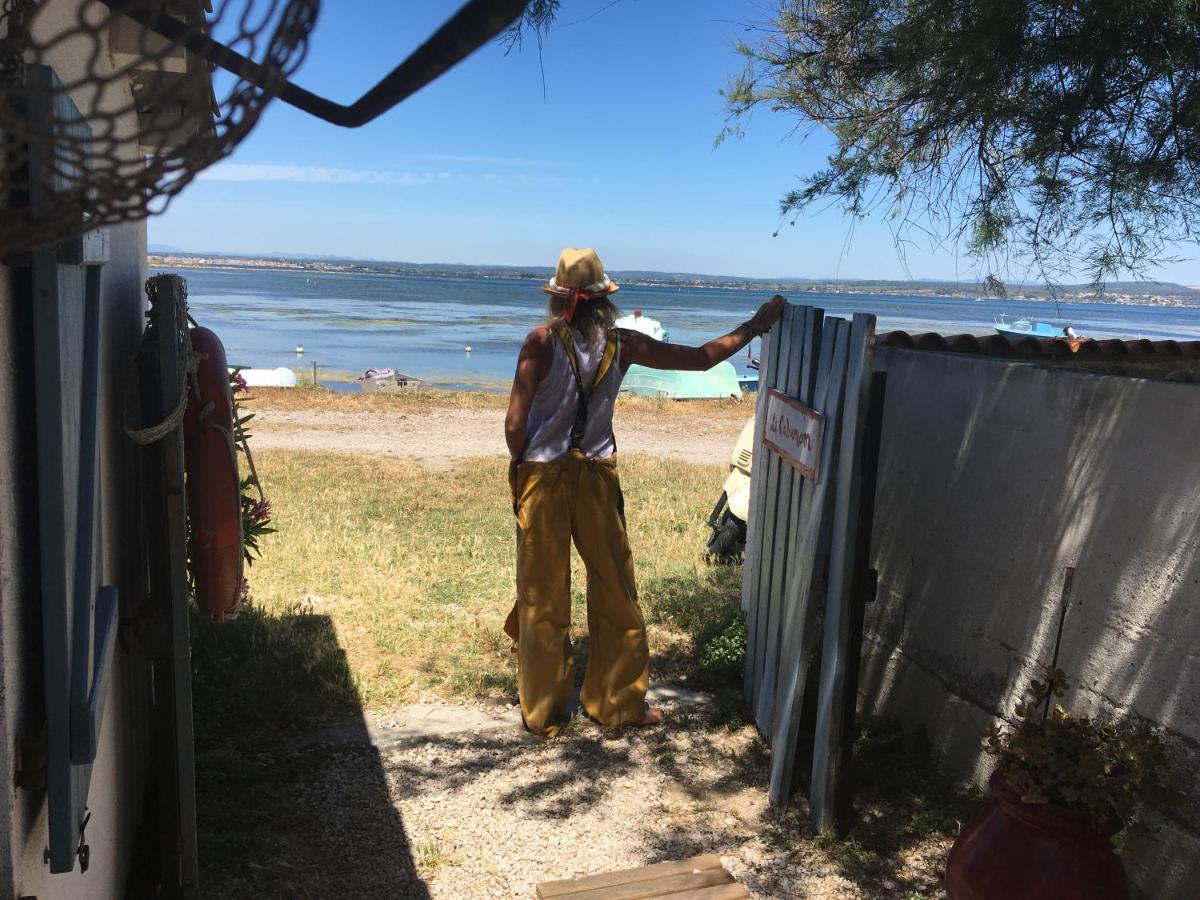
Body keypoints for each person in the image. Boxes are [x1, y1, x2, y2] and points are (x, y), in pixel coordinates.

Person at [503, 247, 785, 737]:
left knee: (542, 596)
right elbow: (700, 360)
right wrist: (755, 326)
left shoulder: (539, 343)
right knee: (615, 589)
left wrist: (526, 461)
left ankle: (544, 711)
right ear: (603, 301)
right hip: (596, 476)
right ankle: (616, 704)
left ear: (557, 299)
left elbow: (513, 425)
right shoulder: (624, 344)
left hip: (543, 480)